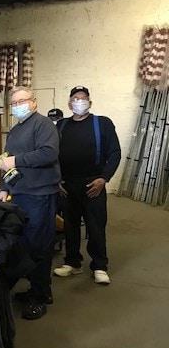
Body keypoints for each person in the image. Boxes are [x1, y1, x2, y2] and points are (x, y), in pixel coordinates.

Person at [0, 86, 60, 320]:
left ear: (34, 102)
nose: (18, 105)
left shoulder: (43, 125)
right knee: (25, 244)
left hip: (40, 194)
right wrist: (4, 188)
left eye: (22, 101)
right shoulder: (15, 130)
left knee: (39, 245)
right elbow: (6, 161)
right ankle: (38, 289)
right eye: (14, 103)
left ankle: (40, 296)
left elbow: (48, 154)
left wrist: (16, 159)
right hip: (21, 194)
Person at [53, 86, 121, 285]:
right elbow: (52, 155)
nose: (79, 102)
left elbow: (114, 153)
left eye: (83, 99)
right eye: (75, 98)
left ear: (89, 103)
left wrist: (104, 178)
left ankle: (99, 266)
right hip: (67, 184)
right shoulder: (61, 125)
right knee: (71, 225)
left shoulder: (103, 124)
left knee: (96, 226)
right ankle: (72, 263)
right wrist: (57, 179)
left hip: (94, 183)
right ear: (69, 103)